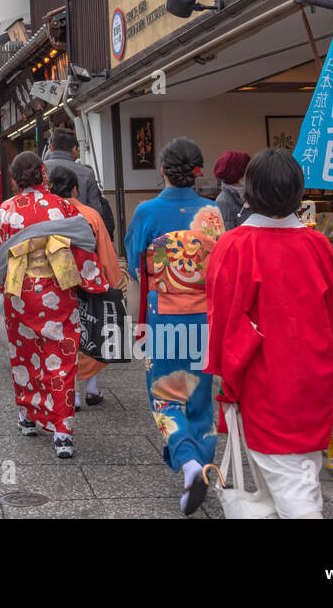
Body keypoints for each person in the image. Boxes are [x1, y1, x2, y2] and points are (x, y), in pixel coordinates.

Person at [206, 149, 333, 518]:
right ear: (297, 192)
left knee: (292, 483)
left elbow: (225, 323)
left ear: (249, 191)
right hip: (316, 375)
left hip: (263, 379)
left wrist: (229, 383)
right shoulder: (318, 244)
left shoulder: (234, 246)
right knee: (299, 468)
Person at [0, 154, 110, 459]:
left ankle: (28, 415)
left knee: (25, 355)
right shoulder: (62, 207)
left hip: (20, 292)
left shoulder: (5, 211)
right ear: (43, 175)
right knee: (61, 357)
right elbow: (83, 243)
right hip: (58, 290)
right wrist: (94, 281)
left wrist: (7, 276)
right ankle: (62, 431)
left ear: (14, 180)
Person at [124, 137, 225, 515]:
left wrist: (138, 326)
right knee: (198, 395)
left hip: (165, 315)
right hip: (205, 317)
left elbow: (136, 276)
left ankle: (188, 463)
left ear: (163, 170)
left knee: (166, 395)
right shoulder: (212, 213)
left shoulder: (146, 212)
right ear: (198, 170)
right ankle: (199, 462)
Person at [46, 162, 123, 407]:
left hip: (56, 285)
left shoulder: (48, 214)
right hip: (90, 282)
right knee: (91, 332)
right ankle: (91, 387)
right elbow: (106, 252)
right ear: (76, 190)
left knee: (63, 338)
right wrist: (113, 281)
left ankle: (73, 394)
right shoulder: (90, 214)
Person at [43, 127, 115, 240]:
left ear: (51, 148)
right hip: (80, 236)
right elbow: (96, 209)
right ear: (75, 149)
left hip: (46, 234)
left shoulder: (40, 170)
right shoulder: (87, 173)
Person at [213, 150, 251, 230]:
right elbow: (227, 235)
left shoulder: (250, 194)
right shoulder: (223, 201)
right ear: (238, 172)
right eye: (247, 168)